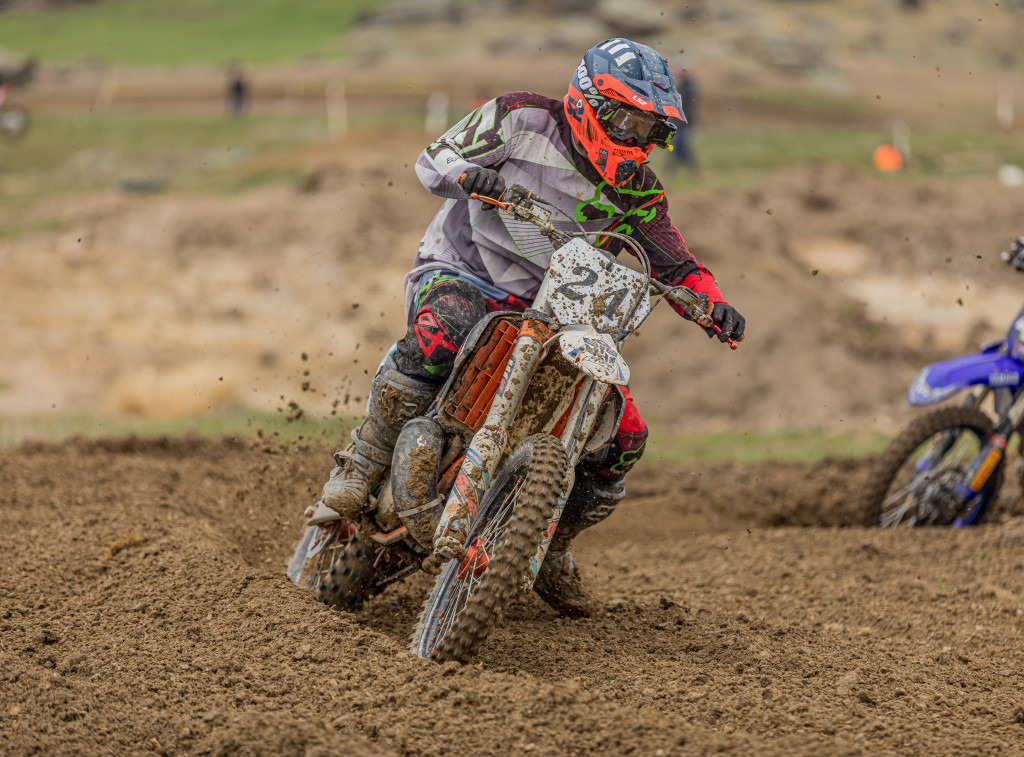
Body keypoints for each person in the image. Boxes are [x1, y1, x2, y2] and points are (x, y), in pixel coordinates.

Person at [314, 38, 746, 618]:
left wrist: (713, 304)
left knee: (624, 436)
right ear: (587, 102)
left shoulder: (639, 191)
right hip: (464, 271)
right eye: (626, 122)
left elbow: (677, 265)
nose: (634, 140)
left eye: (648, 131)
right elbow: (435, 158)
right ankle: (366, 457)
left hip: (554, 313)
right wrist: (470, 175)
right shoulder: (521, 117)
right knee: (446, 330)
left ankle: (550, 544)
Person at [668, 68, 699, 176]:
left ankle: (674, 168)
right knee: (678, 144)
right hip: (680, 120)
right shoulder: (684, 87)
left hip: (682, 121)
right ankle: (675, 168)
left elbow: (684, 105)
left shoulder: (687, 88)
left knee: (679, 144)